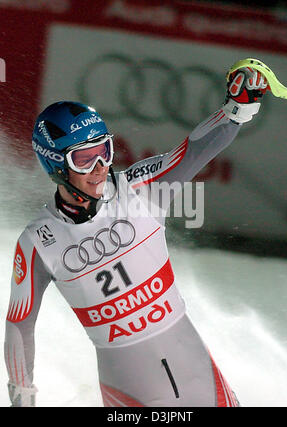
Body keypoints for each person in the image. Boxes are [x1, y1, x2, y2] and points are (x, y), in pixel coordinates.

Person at [4, 65, 268, 407]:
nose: (99, 168)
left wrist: (237, 108)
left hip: (195, 369)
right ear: (55, 164)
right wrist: (22, 394)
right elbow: (19, 324)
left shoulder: (141, 188)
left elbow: (195, 151)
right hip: (127, 386)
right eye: (84, 159)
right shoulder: (37, 241)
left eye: (104, 151)